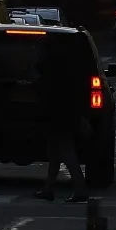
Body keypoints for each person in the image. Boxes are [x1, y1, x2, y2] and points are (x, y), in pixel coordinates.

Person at [36, 47, 90, 203]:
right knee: (54, 154)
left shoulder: (52, 76)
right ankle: (49, 189)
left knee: (66, 153)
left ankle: (80, 190)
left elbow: (50, 98)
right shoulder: (66, 74)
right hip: (61, 118)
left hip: (59, 119)